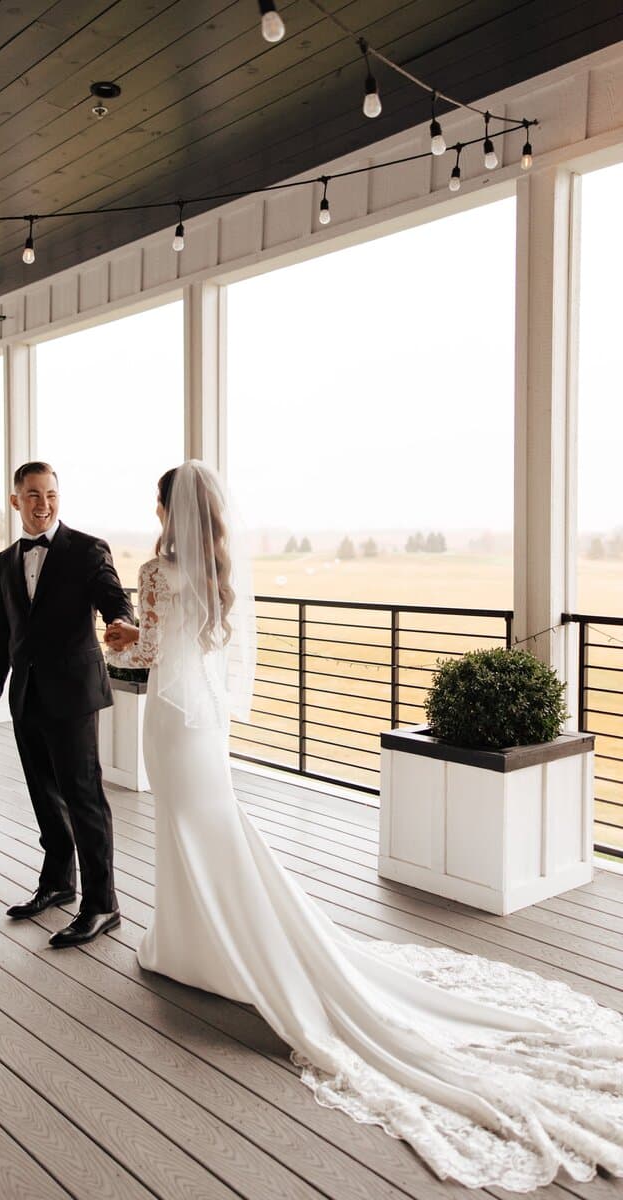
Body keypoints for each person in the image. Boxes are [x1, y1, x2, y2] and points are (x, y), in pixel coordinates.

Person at [104, 459, 623, 1192]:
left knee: (188, 828)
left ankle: (195, 946)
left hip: (169, 717)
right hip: (206, 725)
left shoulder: (157, 571)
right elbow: (207, 647)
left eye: (159, 504)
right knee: (212, 829)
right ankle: (200, 940)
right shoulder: (219, 570)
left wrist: (119, 637)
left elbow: (151, 653)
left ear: (168, 509)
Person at [0, 461, 134, 948]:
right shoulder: (6, 560)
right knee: (45, 796)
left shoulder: (87, 549)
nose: (43, 504)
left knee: (84, 798)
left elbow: (114, 598)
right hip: (26, 695)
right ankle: (58, 883)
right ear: (15, 501)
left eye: (50, 494)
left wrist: (121, 621)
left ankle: (102, 904)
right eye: (32, 495)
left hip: (73, 694)